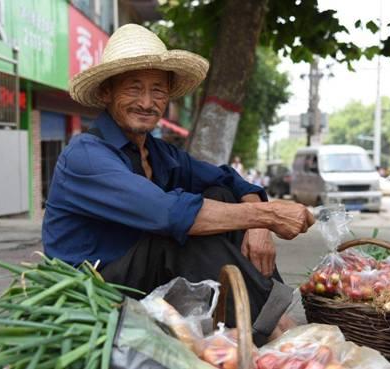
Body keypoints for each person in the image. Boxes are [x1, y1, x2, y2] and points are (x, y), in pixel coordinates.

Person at [42, 24, 314, 345]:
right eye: (133, 88)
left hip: (141, 275)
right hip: (95, 288)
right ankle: (274, 330)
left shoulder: (158, 152)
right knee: (178, 235)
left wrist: (259, 223)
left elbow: (228, 179)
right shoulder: (85, 155)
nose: (147, 102)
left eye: (157, 90)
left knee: (220, 195)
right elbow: (169, 213)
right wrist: (268, 215)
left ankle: (263, 318)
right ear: (107, 93)